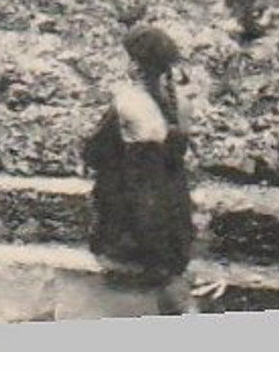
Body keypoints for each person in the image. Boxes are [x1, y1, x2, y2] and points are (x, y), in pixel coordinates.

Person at [83, 24, 198, 314]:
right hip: (172, 214)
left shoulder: (128, 100)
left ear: (134, 62)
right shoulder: (182, 101)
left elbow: (97, 151)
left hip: (136, 215)